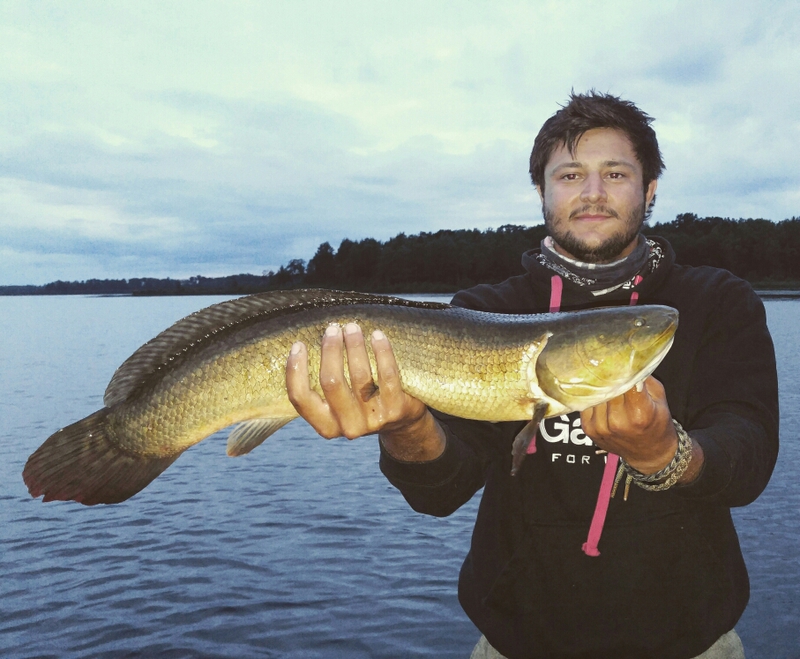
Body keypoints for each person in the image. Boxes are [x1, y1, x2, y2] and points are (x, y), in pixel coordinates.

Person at [285, 91, 779, 659]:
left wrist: (665, 453)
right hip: (515, 642)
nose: (592, 193)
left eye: (615, 173)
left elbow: (750, 454)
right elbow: (440, 490)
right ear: (542, 193)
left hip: (689, 642)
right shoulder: (479, 311)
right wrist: (406, 426)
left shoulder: (718, 302)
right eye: (570, 175)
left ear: (649, 190)